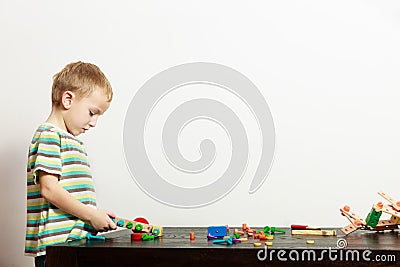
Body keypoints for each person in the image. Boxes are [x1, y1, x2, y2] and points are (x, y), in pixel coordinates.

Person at [25, 61, 117, 267]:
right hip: (57, 248)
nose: (94, 123)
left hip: (72, 245)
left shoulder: (71, 141)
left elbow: (72, 195)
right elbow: (49, 189)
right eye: (92, 113)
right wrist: (91, 215)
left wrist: (97, 215)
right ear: (68, 99)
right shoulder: (49, 136)